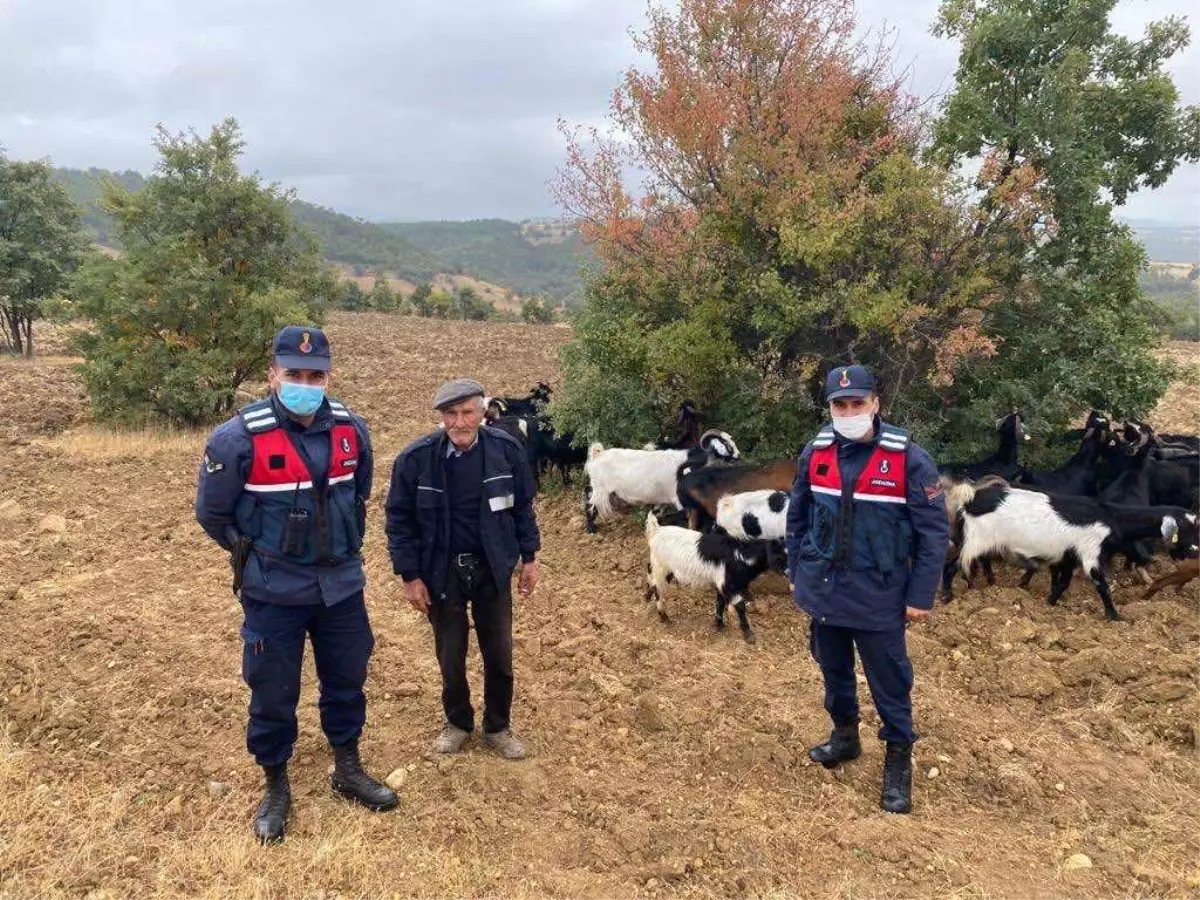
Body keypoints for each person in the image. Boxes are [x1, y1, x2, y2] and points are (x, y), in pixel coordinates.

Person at [195, 325, 397, 845]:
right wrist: (261, 559)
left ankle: (347, 767)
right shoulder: (237, 438)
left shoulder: (353, 430)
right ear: (273, 374)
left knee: (347, 678)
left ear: (328, 376)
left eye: (315, 375)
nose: (305, 383)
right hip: (273, 594)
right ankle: (276, 785)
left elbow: (359, 496)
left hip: (341, 589)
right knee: (272, 689)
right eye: (294, 374)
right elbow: (213, 515)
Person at [785, 364, 950, 814]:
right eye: (840, 404)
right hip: (823, 590)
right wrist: (794, 570)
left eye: (858, 403)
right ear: (830, 408)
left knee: (890, 682)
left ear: (876, 404)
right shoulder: (815, 452)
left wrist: (920, 597)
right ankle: (844, 737)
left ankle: (898, 761)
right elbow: (797, 517)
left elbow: (934, 535)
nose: (849, 411)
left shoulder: (908, 459)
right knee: (833, 670)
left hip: (879, 594)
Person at [385, 378, 541, 760]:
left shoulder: (506, 451)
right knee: (450, 653)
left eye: (467, 412)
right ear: (441, 417)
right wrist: (410, 576)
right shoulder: (416, 459)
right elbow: (398, 520)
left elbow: (522, 508)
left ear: (482, 412)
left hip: (492, 566)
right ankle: (457, 722)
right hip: (442, 573)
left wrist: (530, 558)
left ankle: (498, 727)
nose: (459, 422)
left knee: (499, 653)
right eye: (450, 414)